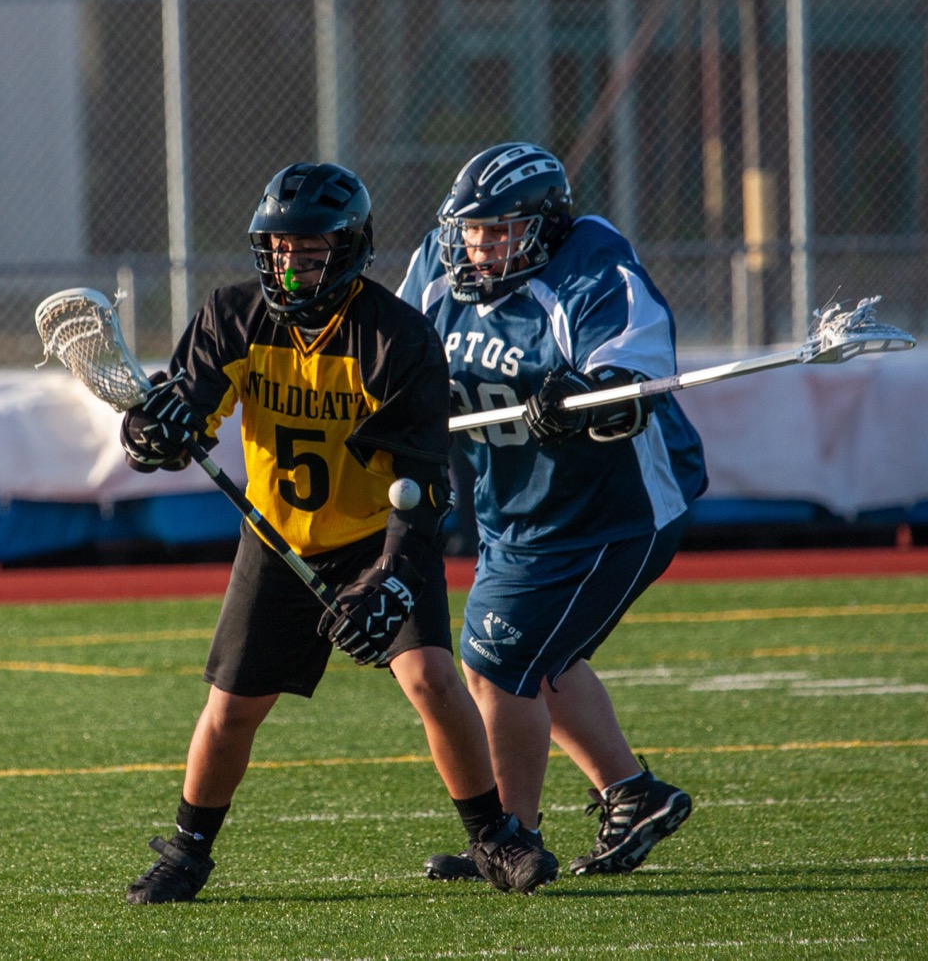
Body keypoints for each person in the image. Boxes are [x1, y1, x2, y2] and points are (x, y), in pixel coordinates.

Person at [119, 161, 558, 904]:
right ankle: (188, 851)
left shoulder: (397, 338)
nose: (292, 264)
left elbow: (421, 487)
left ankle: (494, 837)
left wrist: (390, 575)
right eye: (280, 248)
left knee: (430, 678)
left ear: (350, 249)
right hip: (277, 539)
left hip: (375, 534)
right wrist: (155, 432)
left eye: (311, 248)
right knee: (231, 709)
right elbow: (188, 407)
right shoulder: (233, 315)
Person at [396, 142, 707, 878]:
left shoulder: (590, 261)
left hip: (613, 508)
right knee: (539, 656)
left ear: (544, 225)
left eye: (499, 230)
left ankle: (511, 837)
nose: (479, 247)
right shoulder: (439, 274)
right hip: (513, 507)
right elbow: (401, 354)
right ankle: (633, 793)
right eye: (471, 231)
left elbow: (633, 375)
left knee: (499, 664)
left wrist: (584, 394)